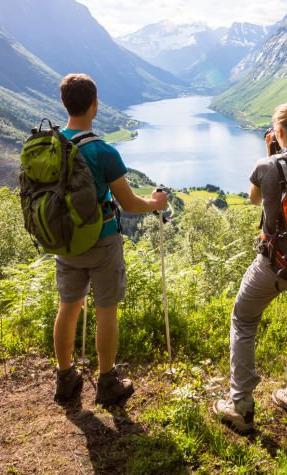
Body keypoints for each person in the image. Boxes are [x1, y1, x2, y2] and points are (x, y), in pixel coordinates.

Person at [53, 73, 168, 406]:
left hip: (65, 240)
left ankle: (65, 378)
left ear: (64, 103)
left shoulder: (50, 144)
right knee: (106, 311)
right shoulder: (103, 151)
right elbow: (130, 204)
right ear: (95, 104)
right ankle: (106, 383)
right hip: (102, 240)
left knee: (68, 307)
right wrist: (156, 204)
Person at [213, 101, 287, 433]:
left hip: (274, 263)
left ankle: (241, 407)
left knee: (243, 319)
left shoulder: (266, 165)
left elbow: (254, 198)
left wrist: (270, 152)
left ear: (280, 132)